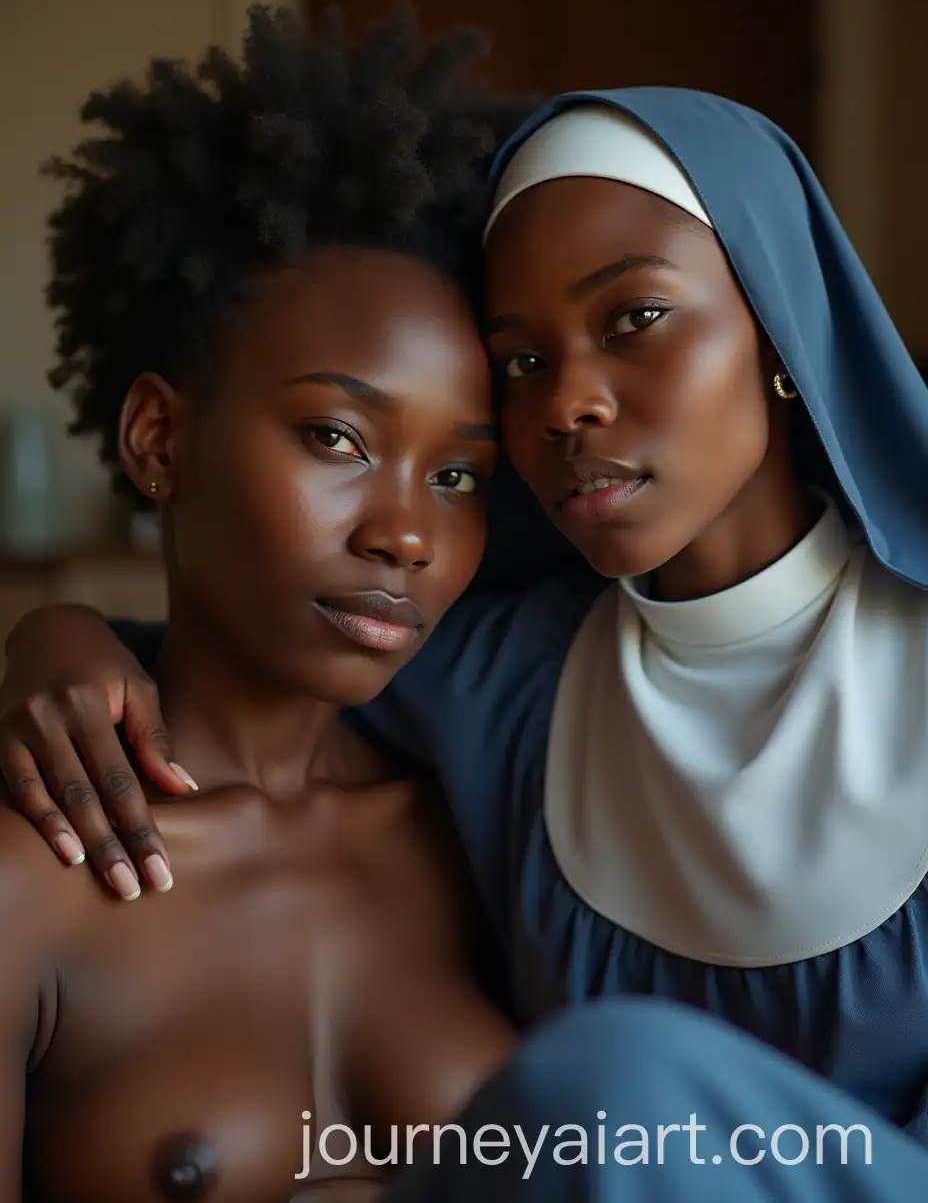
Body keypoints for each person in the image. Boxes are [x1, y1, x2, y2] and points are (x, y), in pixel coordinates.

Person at [5, 79, 928, 1200]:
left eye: (634, 316)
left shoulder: (445, 810)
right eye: (525, 361)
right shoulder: (504, 701)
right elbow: (236, 651)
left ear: (779, 318)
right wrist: (56, 635)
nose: (570, 402)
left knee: (606, 1086)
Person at [0, 2, 537, 1202]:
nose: (406, 530)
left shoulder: (489, 840)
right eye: (337, 435)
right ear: (157, 436)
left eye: (457, 475)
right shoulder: (31, 876)